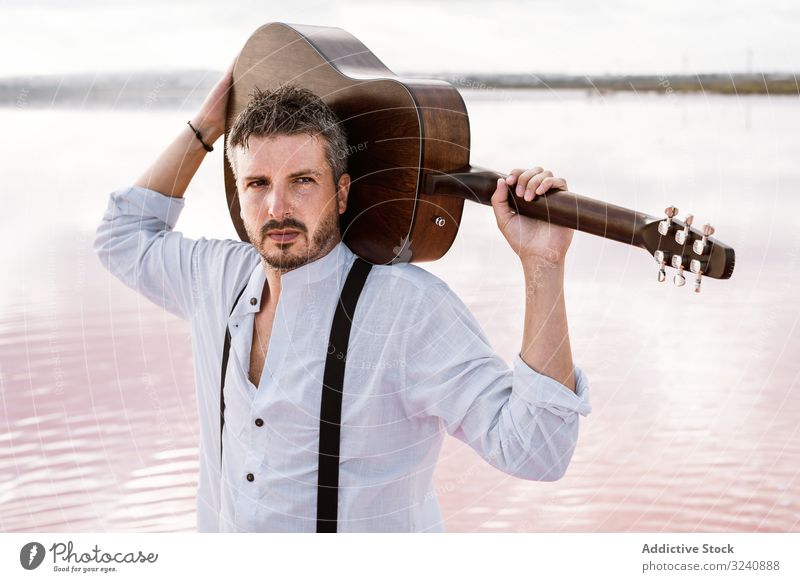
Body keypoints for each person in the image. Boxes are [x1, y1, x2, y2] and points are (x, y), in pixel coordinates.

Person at [93, 57, 591, 533]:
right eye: (257, 183)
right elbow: (121, 235)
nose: (277, 207)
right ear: (237, 192)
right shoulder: (217, 275)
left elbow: (537, 451)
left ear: (343, 190)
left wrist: (542, 266)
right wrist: (206, 128)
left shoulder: (408, 310)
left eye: (302, 181)